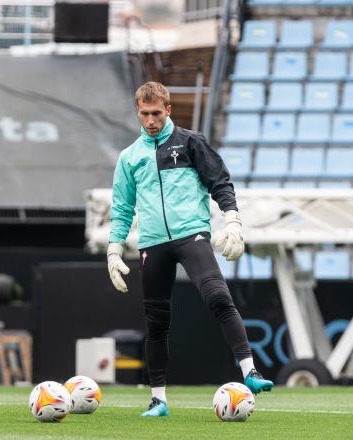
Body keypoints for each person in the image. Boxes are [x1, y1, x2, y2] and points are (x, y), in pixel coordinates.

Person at [106, 81, 273, 417]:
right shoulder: (129, 158)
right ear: (138, 113)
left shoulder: (190, 142)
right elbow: (122, 208)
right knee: (156, 324)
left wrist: (233, 221)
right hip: (152, 243)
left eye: (156, 113)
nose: (151, 119)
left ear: (168, 110)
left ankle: (249, 372)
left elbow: (220, 182)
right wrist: (114, 248)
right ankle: (158, 400)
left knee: (218, 297)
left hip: (190, 234)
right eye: (145, 113)